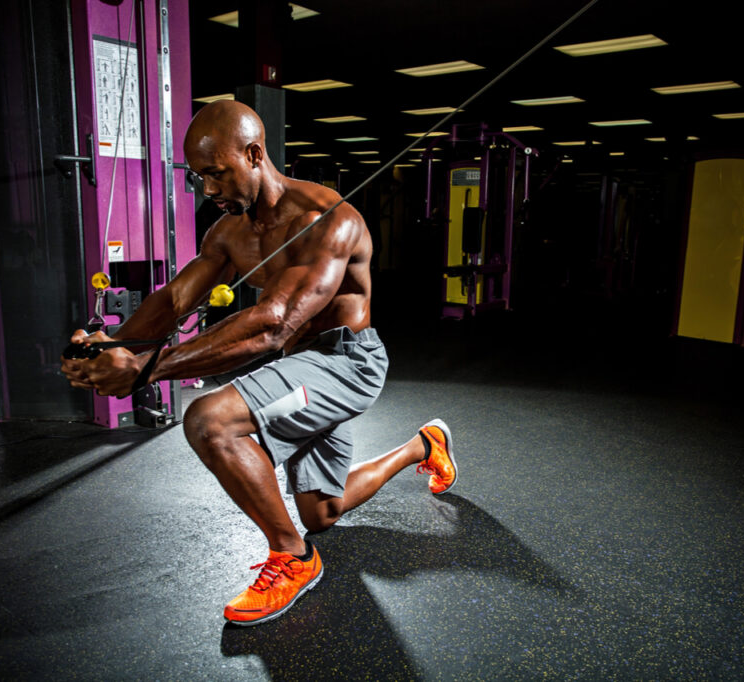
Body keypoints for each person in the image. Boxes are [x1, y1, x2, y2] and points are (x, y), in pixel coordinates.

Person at [60, 100, 458, 626]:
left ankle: (293, 559)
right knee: (321, 513)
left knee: (210, 420)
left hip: (346, 363)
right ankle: (422, 446)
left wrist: (146, 369)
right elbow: (174, 300)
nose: (209, 188)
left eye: (217, 173)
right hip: (300, 368)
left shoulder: (326, 220)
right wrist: (112, 345)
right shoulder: (230, 232)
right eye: (199, 177)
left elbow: (275, 324)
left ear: (253, 154)